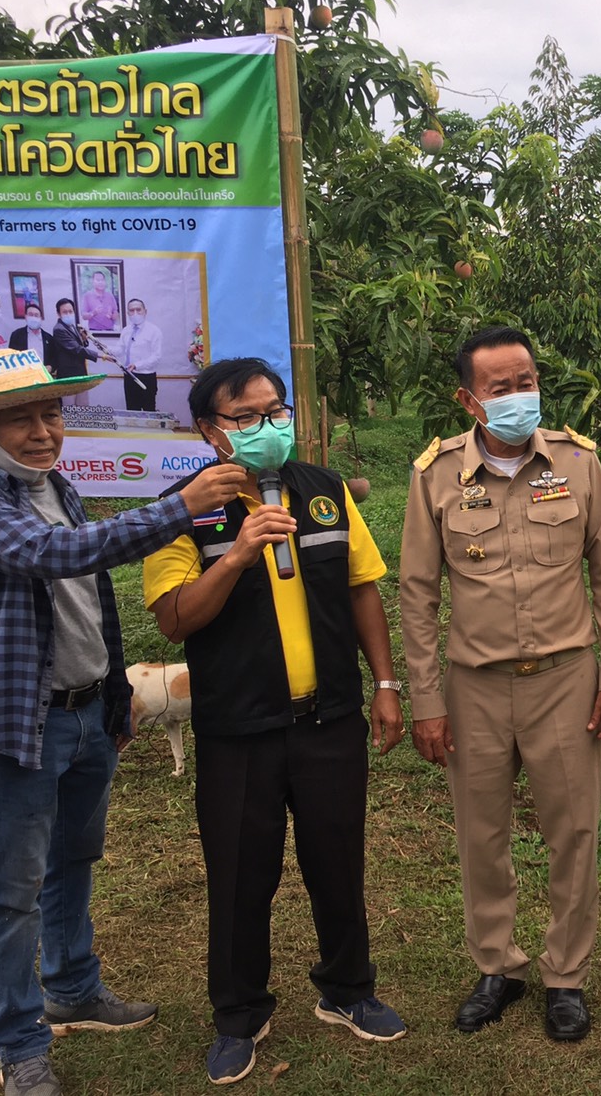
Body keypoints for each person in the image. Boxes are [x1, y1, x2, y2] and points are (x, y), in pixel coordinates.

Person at [0, 349, 245, 1096]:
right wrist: (179, 506)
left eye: (51, 413)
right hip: (18, 725)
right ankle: (21, 1044)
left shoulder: (56, 484)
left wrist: (118, 693)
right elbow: (56, 556)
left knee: (72, 861)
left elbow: (93, 595)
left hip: (88, 711)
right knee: (13, 888)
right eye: (20, 418)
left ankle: (71, 985)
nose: (41, 431)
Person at [143, 358, 408, 1085]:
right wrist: (234, 559)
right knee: (238, 875)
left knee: (337, 859)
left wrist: (384, 684)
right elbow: (173, 621)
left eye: (277, 411)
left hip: (330, 721)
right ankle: (239, 1014)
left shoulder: (323, 493)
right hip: (238, 729)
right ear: (209, 431)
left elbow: (361, 589)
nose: (269, 428)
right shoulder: (178, 510)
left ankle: (349, 990)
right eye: (248, 418)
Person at [398, 326, 601, 1042]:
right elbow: (417, 594)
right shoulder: (435, 475)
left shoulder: (578, 464)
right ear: (469, 399)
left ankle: (566, 975)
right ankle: (497, 964)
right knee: (482, 835)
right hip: (474, 686)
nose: (519, 396)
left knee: (574, 831)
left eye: (526, 381)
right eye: (501, 388)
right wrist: (426, 698)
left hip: (565, 677)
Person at [46, 298, 107, 407]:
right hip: (68, 377)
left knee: (83, 408)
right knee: (70, 411)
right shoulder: (59, 329)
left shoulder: (72, 326)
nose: (68, 314)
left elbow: (78, 345)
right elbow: (76, 349)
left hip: (80, 374)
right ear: (58, 314)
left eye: (70, 311)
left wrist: (83, 339)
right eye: (65, 312)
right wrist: (100, 355)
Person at [115, 298, 163, 411]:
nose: (135, 313)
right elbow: (120, 349)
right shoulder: (126, 330)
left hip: (147, 377)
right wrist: (106, 350)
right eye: (131, 310)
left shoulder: (154, 331)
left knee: (149, 410)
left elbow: (157, 356)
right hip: (129, 376)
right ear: (128, 313)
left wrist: (137, 365)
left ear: (145, 311)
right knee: (131, 410)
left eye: (138, 310)